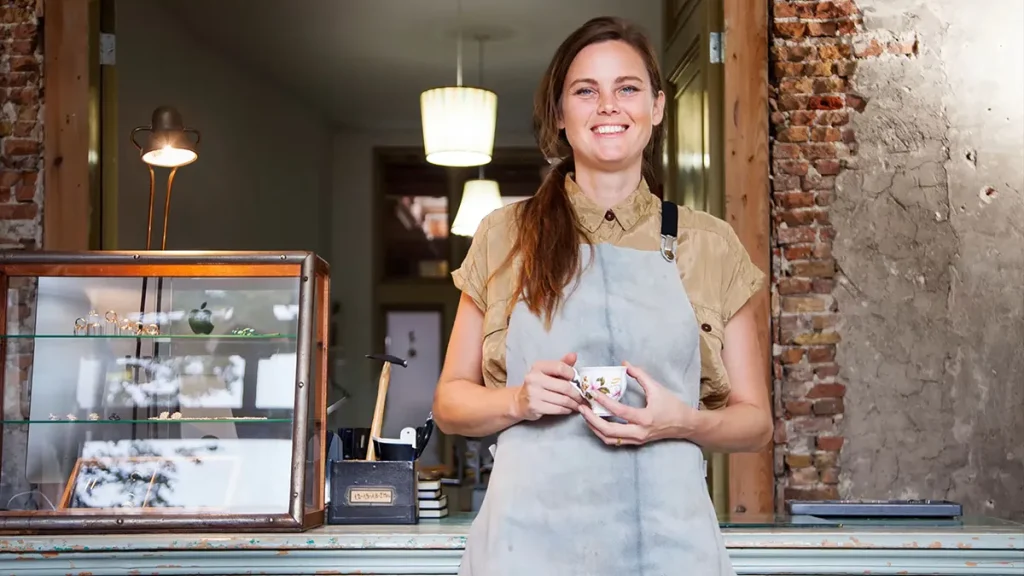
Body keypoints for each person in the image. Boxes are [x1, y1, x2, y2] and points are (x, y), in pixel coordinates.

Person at [432, 15, 772, 575]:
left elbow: (755, 423)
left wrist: (680, 422)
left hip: (671, 551)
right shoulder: (503, 235)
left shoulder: (710, 244)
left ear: (657, 108)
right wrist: (519, 400)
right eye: (586, 91)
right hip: (527, 552)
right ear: (560, 115)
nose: (608, 106)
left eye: (628, 88)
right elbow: (449, 403)